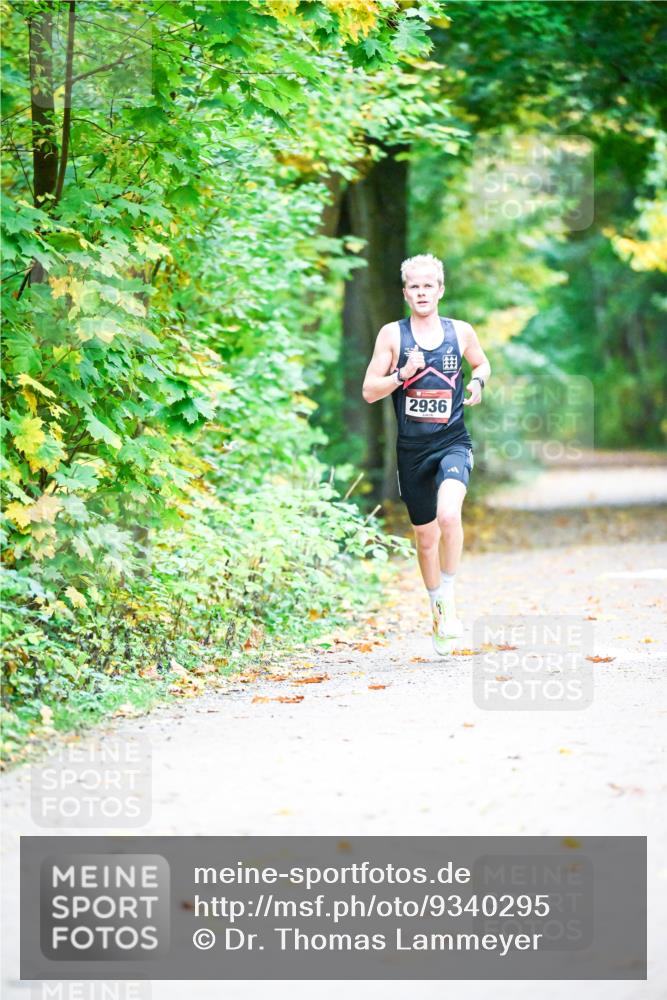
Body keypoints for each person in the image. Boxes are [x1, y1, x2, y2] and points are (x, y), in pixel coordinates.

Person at [362, 253, 491, 655]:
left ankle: (448, 595)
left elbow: (481, 364)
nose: (421, 292)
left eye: (428, 285)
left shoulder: (460, 331)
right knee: (425, 536)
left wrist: (478, 383)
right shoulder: (392, 336)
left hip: (452, 442)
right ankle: (437, 605)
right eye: (414, 286)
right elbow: (369, 391)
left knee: (449, 515)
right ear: (405, 293)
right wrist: (401, 374)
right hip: (412, 451)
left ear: (440, 290)